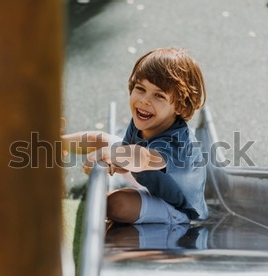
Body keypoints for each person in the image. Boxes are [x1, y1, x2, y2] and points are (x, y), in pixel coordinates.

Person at [62, 47, 208, 224]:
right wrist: (115, 161)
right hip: (153, 180)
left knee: (117, 204)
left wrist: (111, 155)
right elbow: (129, 159)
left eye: (159, 96)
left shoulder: (177, 142)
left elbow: (144, 158)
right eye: (140, 88)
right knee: (100, 140)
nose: (144, 100)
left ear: (180, 107)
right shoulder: (144, 121)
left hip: (177, 208)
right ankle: (58, 143)